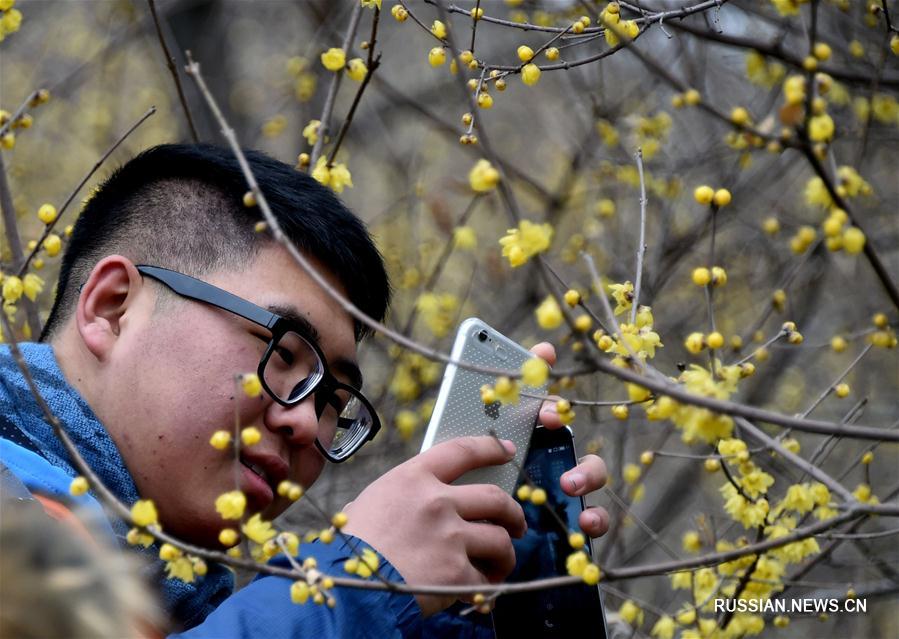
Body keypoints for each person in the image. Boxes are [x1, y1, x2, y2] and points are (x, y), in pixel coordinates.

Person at [0, 143, 610, 638]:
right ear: (112, 308)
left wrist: (489, 601)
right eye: (283, 353)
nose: (304, 426)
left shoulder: (186, 606)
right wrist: (355, 583)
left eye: (334, 403)